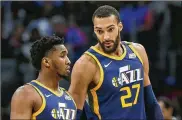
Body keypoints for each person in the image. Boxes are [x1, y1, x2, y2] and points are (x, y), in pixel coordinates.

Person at [68, 5, 163, 119]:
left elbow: (150, 101)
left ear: (120, 26)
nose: (106, 37)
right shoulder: (86, 64)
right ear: (94, 31)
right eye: (100, 31)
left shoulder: (138, 51)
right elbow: (72, 112)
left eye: (110, 29)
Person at [10, 35, 77, 120]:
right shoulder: (25, 93)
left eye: (67, 56)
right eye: (62, 56)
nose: (68, 61)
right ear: (46, 62)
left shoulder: (69, 98)